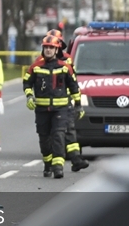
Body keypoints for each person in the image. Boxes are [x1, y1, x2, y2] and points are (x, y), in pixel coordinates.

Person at [23, 34, 81, 179]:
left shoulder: (64, 67)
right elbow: (27, 83)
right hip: (42, 110)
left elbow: (74, 87)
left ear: (56, 50)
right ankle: (48, 164)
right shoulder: (36, 67)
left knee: (58, 136)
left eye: (51, 48)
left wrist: (78, 106)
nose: (48, 50)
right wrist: (29, 96)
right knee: (44, 139)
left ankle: (58, 167)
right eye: (46, 47)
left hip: (60, 110)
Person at [47, 29, 89, 172]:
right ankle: (53, 161)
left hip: (64, 99)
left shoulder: (66, 59)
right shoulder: (43, 60)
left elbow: (72, 80)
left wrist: (77, 102)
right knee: (54, 132)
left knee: (69, 129)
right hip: (51, 102)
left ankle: (75, 159)